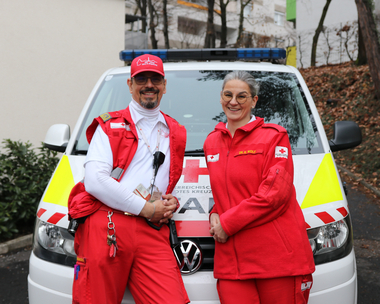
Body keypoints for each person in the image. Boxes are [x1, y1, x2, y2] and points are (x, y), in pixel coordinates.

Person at [68, 54, 190, 304]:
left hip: (153, 229)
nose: (149, 85)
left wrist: (167, 202)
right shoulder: (108, 126)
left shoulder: (175, 130)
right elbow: (94, 181)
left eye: (155, 79)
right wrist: (147, 208)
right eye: (141, 79)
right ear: (130, 85)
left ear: (164, 85)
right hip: (109, 224)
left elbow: (162, 181)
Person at [203, 71, 315, 304]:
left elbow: (275, 194)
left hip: (276, 259)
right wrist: (215, 213)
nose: (233, 102)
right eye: (228, 95)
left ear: (254, 101)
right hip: (232, 261)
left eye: (242, 96)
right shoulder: (211, 142)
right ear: (221, 98)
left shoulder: (274, 137)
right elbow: (225, 190)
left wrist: (226, 222)